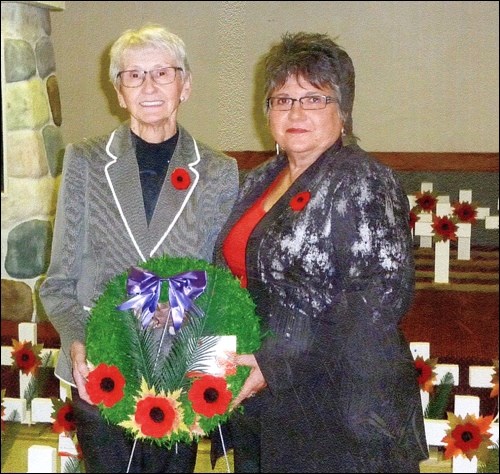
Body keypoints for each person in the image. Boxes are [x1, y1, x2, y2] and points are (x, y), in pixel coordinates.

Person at [213, 32, 429, 473]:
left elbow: (379, 301)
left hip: (340, 410)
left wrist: (272, 361)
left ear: (343, 112)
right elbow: (236, 279)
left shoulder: (363, 180)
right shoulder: (259, 180)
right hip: (265, 403)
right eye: (282, 99)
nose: (295, 112)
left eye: (314, 99)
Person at [39, 24, 239, 473]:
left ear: (185, 85)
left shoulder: (219, 171)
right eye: (133, 75)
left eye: (162, 73)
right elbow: (59, 282)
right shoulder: (85, 162)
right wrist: (76, 343)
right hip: (100, 364)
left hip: (179, 370)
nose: (148, 86)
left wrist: (212, 375)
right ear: (118, 91)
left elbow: (222, 284)